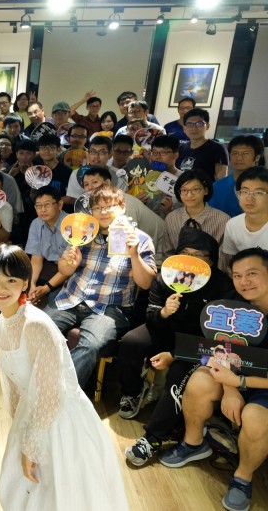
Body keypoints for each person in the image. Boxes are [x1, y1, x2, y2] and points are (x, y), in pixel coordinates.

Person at [0, 245, 129, 510]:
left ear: (25, 283)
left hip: (61, 420)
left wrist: (31, 445)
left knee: (65, 495)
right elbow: (12, 386)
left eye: (11, 280)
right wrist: (19, 428)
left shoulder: (36, 325)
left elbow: (52, 392)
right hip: (32, 416)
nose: (1, 288)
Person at [159, 248, 268, 511]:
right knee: (199, 383)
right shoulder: (230, 305)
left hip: (260, 384)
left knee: (255, 418)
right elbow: (215, 349)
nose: (244, 281)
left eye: (252, 273)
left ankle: (243, 477)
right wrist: (230, 387)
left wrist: (240, 384)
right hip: (230, 374)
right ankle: (194, 443)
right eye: (238, 275)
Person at [118, 227, 232, 429]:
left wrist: (175, 353)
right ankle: (133, 392)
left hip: (195, 340)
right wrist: (163, 312)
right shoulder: (167, 275)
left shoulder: (221, 285)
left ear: (211, 261)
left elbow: (214, 336)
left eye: (199, 255)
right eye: (185, 253)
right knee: (131, 342)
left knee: (178, 371)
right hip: (164, 329)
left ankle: (170, 421)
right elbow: (150, 316)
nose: (191, 260)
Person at [46, 185, 157, 387]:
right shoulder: (84, 233)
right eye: (97, 208)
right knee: (38, 328)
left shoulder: (139, 239)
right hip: (72, 298)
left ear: (122, 207)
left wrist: (134, 254)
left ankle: (63, 394)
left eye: (108, 206)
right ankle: (38, 381)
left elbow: (146, 283)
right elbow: (64, 270)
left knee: (89, 346)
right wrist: (69, 261)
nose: (102, 212)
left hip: (109, 308)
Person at [161, 170, 230, 268]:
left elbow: (224, 260)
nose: (189, 195)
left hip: (212, 274)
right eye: (184, 190)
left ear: (206, 190)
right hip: (178, 273)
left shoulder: (223, 220)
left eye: (195, 189)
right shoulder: (172, 218)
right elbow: (167, 254)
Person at [26, 187, 69, 305]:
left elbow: (69, 266)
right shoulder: (36, 223)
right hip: (49, 266)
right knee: (25, 289)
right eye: (38, 206)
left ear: (60, 204)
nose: (43, 210)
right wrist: (32, 283)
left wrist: (47, 288)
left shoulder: (72, 224)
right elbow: (36, 258)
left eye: (47, 205)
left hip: (70, 269)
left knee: (54, 301)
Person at [221, 166, 268, 267]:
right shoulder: (232, 224)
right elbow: (230, 262)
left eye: (258, 193)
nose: (249, 198)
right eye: (245, 192)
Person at [209, 135, 264, 217]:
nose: (239, 158)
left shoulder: (264, 185)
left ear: (257, 157)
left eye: (245, 153)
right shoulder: (217, 187)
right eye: (235, 153)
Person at [177, 107, 228, 180]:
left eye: (199, 124)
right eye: (189, 124)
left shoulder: (217, 148)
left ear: (207, 126)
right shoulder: (181, 148)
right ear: (184, 129)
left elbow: (221, 180)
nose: (194, 128)